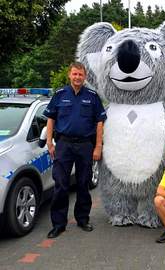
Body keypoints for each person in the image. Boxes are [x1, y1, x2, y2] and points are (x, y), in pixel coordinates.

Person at [44, 62, 107, 238]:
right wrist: (50, 142)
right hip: (63, 145)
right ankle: (58, 224)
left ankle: (83, 219)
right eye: (74, 74)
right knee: (61, 185)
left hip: (85, 145)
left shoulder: (93, 96)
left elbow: (99, 122)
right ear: (69, 75)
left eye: (80, 74)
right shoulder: (59, 95)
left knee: (83, 183)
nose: (77, 77)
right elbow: (51, 119)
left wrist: (98, 146)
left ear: (84, 76)